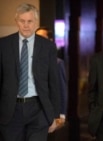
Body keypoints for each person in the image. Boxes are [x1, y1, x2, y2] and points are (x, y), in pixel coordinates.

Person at [0, 3, 60, 141]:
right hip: (10, 110)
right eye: (22, 21)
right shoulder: (3, 45)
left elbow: (53, 82)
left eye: (30, 21)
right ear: (16, 22)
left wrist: (55, 115)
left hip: (38, 109)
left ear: (35, 22)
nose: (26, 25)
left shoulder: (48, 46)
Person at [36, 27, 68, 140]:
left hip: (47, 113)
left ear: (49, 40)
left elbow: (61, 90)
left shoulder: (57, 63)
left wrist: (61, 114)